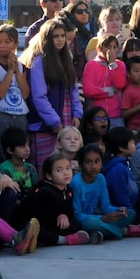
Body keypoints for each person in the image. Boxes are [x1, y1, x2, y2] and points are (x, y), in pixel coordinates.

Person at [24, 19, 83, 169]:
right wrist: (54, 121)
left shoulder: (66, 59)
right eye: (55, 36)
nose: (60, 39)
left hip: (66, 118)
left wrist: (77, 114)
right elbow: (39, 96)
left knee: (64, 166)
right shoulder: (39, 61)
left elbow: (73, 90)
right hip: (45, 125)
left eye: (63, 35)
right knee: (46, 168)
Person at [0, 24, 30, 154]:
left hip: (20, 115)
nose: (2, 46)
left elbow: (26, 94)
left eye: (7, 42)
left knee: (20, 150)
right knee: (1, 151)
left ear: (16, 43)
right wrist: (10, 71)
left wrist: (16, 70)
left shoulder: (22, 67)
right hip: (1, 115)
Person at [82, 34, 127, 129]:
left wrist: (112, 64)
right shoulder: (91, 65)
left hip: (115, 115)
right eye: (108, 47)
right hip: (97, 116)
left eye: (114, 47)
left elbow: (119, 84)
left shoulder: (120, 65)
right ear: (99, 48)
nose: (111, 50)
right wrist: (109, 91)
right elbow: (88, 90)